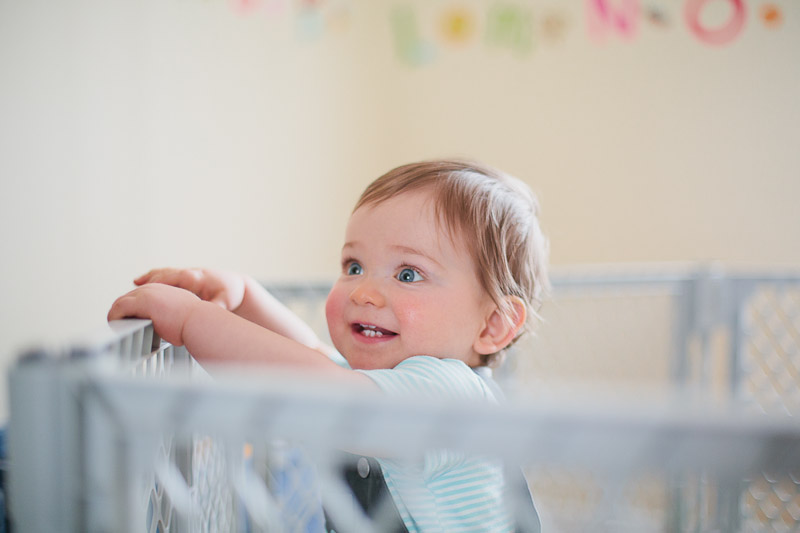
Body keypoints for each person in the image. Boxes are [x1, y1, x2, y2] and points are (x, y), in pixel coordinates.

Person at [108, 159, 549, 532]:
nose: (363, 292)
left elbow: (325, 393)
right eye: (354, 266)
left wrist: (192, 322)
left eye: (408, 274)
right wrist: (244, 296)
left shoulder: (452, 395)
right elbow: (310, 362)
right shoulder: (388, 381)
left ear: (493, 324)